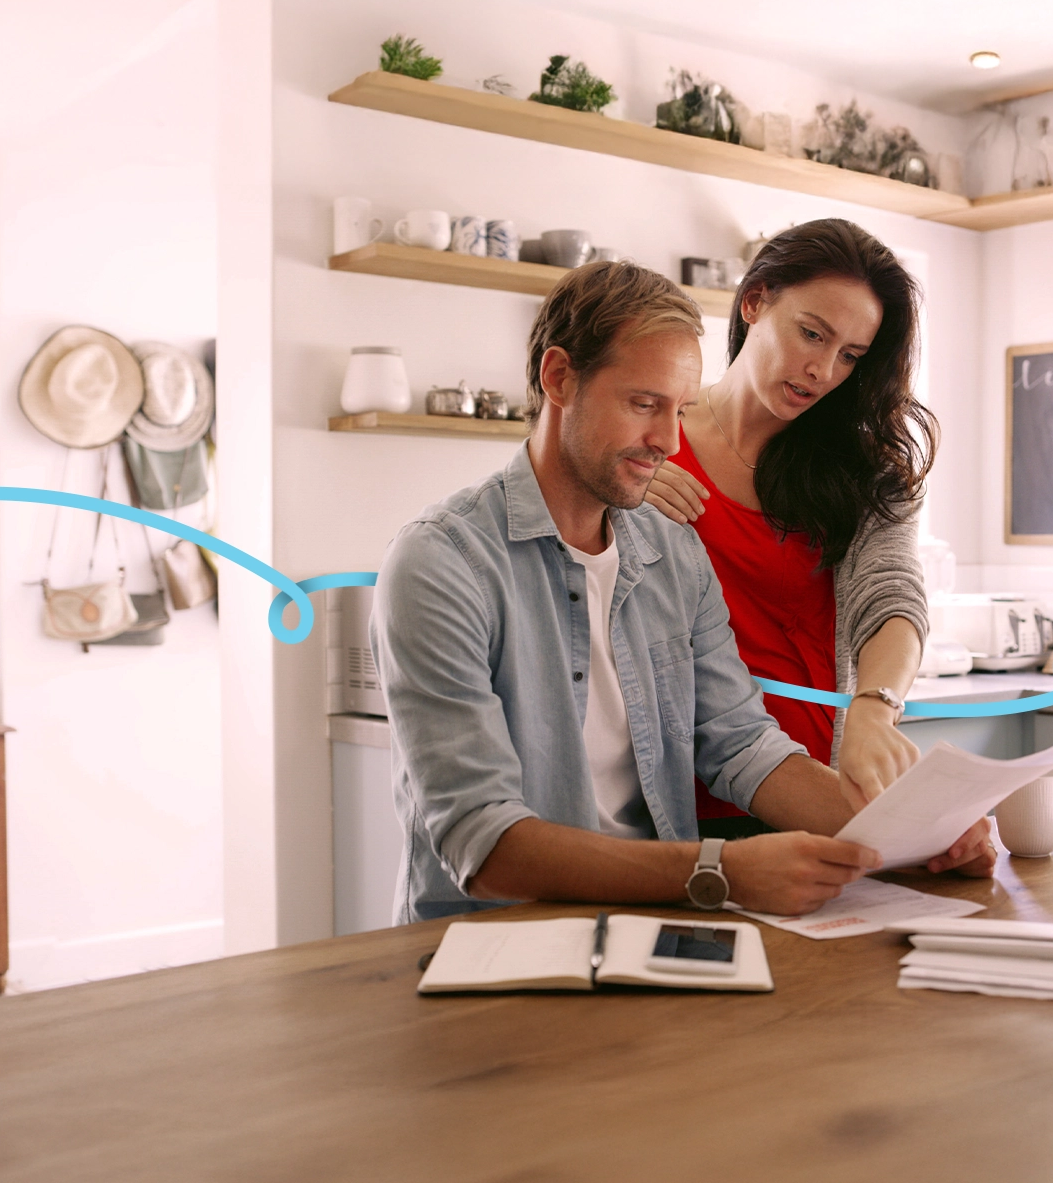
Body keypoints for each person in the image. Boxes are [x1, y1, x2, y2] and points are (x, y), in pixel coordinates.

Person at [372, 259, 995, 924]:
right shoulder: (440, 562)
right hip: (488, 948)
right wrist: (716, 871)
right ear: (559, 379)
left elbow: (741, 745)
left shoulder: (670, 552)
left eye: (679, 409)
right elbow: (484, 843)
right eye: (644, 405)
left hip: (653, 928)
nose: (668, 441)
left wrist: (919, 834)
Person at [642, 219, 937, 831]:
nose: (823, 370)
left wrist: (876, 709)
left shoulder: (863, 475)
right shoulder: (646, 444)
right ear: (754, 301)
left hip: (807, 796)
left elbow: (892, 596)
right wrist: (617, 486)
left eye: (850, 356)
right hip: (659, 801)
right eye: (811, 334)